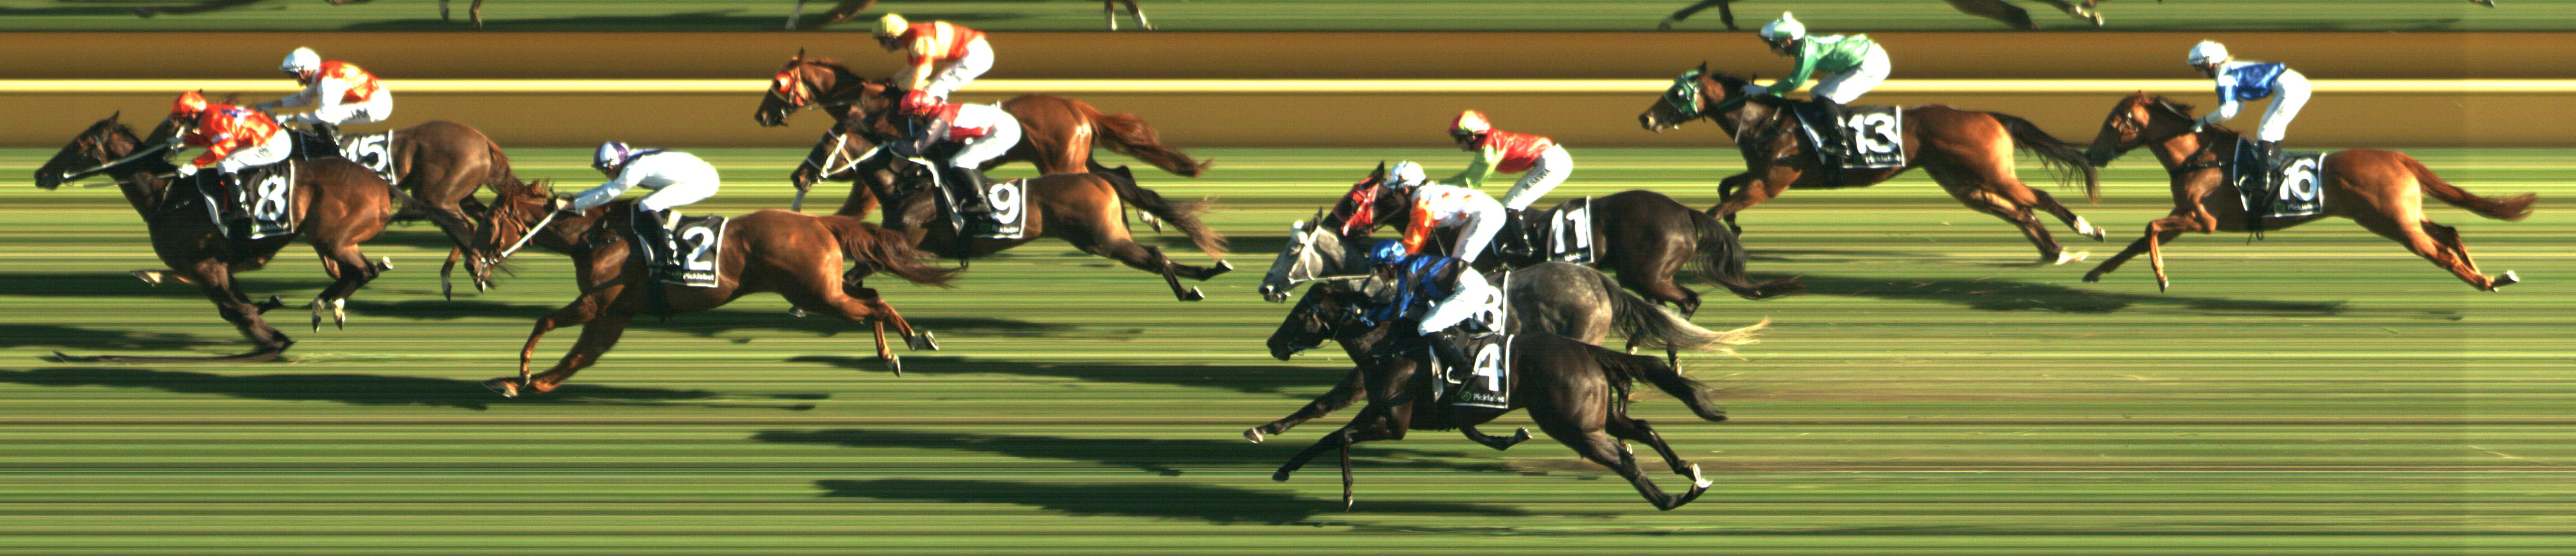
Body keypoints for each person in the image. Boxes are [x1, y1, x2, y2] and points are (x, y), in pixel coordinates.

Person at [550, 142, 722, 275]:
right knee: (646, 204)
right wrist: (577, 198)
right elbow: (607, 188)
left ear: (615, 164)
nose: (607, 174)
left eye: (606, 170)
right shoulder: (630, 161)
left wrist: (573, 205)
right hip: (698, 174)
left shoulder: (634, 169)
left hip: (703, 182)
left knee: (648, 204)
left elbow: (610, 193)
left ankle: (669, 250)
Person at [1746, 12, 1890, 161]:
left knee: (1828, 97)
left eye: (1774, 44)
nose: (1772, 49)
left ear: (1787, 42)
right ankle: (1831, 129)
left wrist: (1766, 90)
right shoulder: (1802, 45)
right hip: (1859, 60)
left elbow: (1795, 82)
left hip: (1872, 64)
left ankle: (1842, 144)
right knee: (1817, 92)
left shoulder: (1808, 52)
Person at [1359, 239, 1504, 374]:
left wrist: (1368, 314)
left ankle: (1463, 368)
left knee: (1427, 326)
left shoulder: (1408, 274)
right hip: (1470, 283)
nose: (1379, 274)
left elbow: (1396, 312)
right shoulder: (1410, 265)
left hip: (1469, 290)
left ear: (1390, 265)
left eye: (1379, 269)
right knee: (1428, 318)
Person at [1441, 110, 1567, 257]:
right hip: (1552, 159)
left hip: (1552, 163)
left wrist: (1440, 188)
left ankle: (1526, 248)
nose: (1457, 143)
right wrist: (1443, 185)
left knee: (1512, 203)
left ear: (1472, 137)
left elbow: (1472, 181)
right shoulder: (1489, 143)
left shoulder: (1489, 149)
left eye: (1458, 139)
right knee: (1512, 202)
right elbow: (1469, 175)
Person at [165, 90, 292, 230]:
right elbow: (213, 139)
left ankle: (241, 208)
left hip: (274, 144)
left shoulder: (211, 120)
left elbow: (224, 146)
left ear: (193, 115)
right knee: (227, 161)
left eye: (183, 119)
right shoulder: (210, 113)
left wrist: (195, 164)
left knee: (226, 164)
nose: (183, 124)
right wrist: (186, 140)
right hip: (268, 138)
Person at [895, 90, 1022, 216]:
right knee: (955, 159)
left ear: (922, 111)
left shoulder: (942, 118)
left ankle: (982, 203)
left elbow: (918, 146)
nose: (913, 120)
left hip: (1004, 131)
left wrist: (893, 144)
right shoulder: (938, 113)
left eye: (912, 117)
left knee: (960, 161)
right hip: (998, 127)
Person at [2187, 40, 2310, 169]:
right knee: (2272, 131)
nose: (2200, 72)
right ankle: (2274, 168)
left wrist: (2204, 122)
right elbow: (2237, 107)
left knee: (2266, 132)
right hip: (2293, 83)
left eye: (2199, 67)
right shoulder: (2229, 70)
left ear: (2210, 64)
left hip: (2290, 87)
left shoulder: (2224, 77)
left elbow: (2227, 112)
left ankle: (2265, 178)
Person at [252, 47, 391, 144]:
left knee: (328, 116)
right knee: (324, 117)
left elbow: (324, 115)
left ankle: (337, 148)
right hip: (374, 98)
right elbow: (303, 99)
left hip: (378, 106)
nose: (295, 79)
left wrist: (284, 118)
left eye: (293, 75)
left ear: (304, 72)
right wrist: (266, 106)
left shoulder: (328, 82)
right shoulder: (321, 72)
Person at [1385, 160, 1506, 264]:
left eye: (1394, 192)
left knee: (1457, 265)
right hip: (1485, 211)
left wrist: (1397, 261)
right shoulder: (1426, 192)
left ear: (1405, 190)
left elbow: (1415, 241)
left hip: (1487, 215)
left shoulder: (1422, 205)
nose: (1394, 197)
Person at [872, 13, 994, 100]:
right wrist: (893, 80)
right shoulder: (911, 39)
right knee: (932, 90)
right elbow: (911, 68)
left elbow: (923, 71)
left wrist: (899, 88)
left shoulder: (919, 40)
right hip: (974, 53)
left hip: (977, 55)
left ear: (892, 38)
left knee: (930, 93)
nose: (881, 46)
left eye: (881, 41)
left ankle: (942, 126)